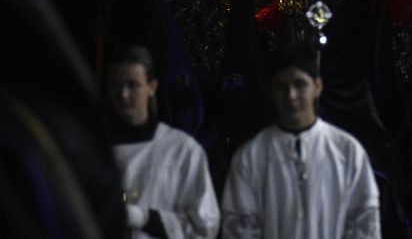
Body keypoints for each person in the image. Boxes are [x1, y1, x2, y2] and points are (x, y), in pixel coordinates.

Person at [220, 43, 381, 238]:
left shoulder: (347, 150)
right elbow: (239, 225)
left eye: (300, 84)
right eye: (281, 86)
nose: (291, 96)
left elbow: (364, 222)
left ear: (317, 87)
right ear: (271, 92)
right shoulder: (250, 156)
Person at [104, 45, 221, 238]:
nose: (123, 95)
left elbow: (205, 226)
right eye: (116, 85)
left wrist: (147, 218)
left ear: (152, 86)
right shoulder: (96, 149)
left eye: (132, 85)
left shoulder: (182, 150)